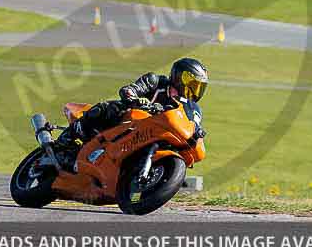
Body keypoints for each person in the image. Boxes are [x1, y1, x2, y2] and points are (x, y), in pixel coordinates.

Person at [53, 58, 209, 168]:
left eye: (198, 87)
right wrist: (135, 100)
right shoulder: (156, 82)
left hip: (151, 135)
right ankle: (66, 140)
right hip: (130, 120)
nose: (193, 91)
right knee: (111, 108)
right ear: (178, 76)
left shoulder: (193, 109)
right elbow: (128, 90)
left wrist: (197, 133)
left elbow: (191, 126)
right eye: (191, 84)